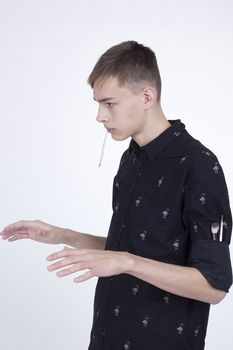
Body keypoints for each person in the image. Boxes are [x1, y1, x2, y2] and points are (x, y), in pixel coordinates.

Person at [0, 40, 232, 350]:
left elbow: (214, 285)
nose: (100, 116)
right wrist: (61, 235)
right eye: (97, 103)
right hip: (108, 337)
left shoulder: (198, 165)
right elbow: (130, 249)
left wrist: (127, 263)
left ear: (146, 96)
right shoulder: (131, 158)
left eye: (109, 103)